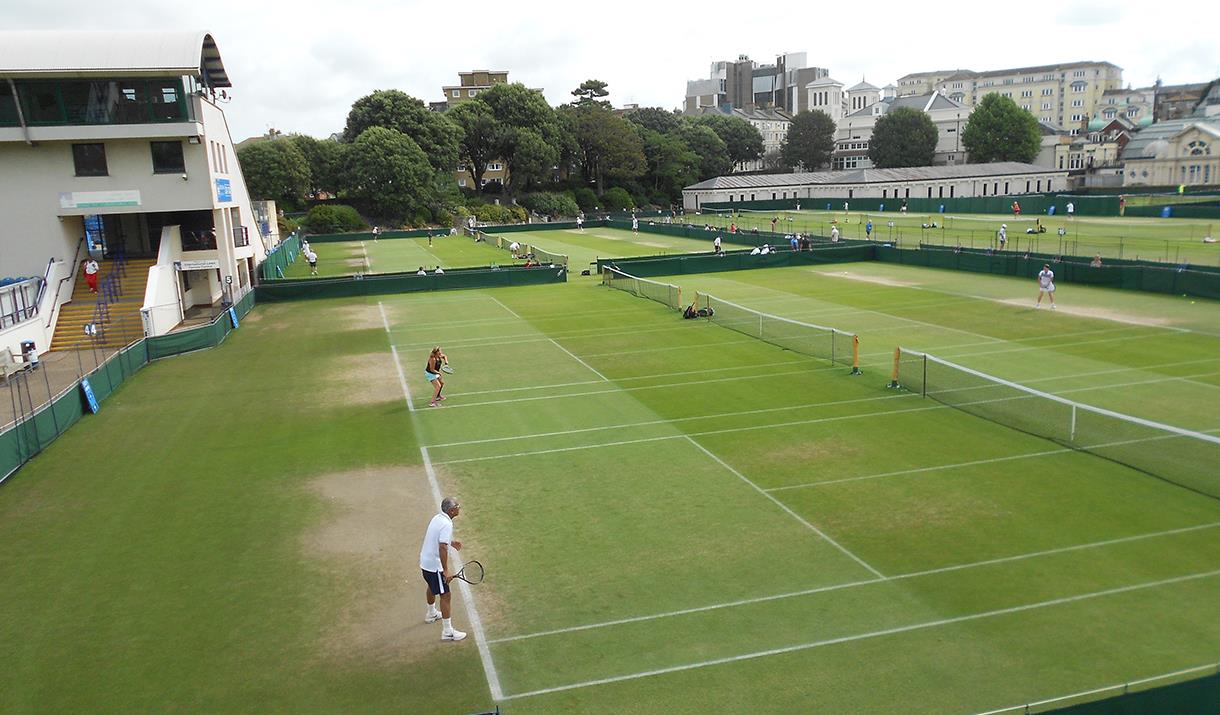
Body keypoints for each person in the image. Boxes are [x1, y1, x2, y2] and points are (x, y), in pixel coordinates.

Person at [420, 497, 466, 642]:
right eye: (457, 506)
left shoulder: (437, 518)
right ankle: (447, 632)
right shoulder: (447, 524)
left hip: (425, 562)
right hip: (434, 566)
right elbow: (441, 547)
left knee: (432, 586)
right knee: (445, 595)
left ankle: (431, 613)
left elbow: (438, 538)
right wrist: (445, 570)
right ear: (452, 510)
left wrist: (451, 542)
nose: (459, 507)